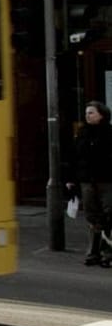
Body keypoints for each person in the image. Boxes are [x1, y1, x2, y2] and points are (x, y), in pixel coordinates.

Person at [67, 101, 112, 266]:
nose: (87, 115)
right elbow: (74, 157)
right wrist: (71, 179)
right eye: (86, 113)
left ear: (102, 115)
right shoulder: (82, 133)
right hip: (87, 181)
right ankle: (93, 253)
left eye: (91, 112)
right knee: (92, 217)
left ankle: (108, 254)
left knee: (109, 216)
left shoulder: (109, 133)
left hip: (106, 181)